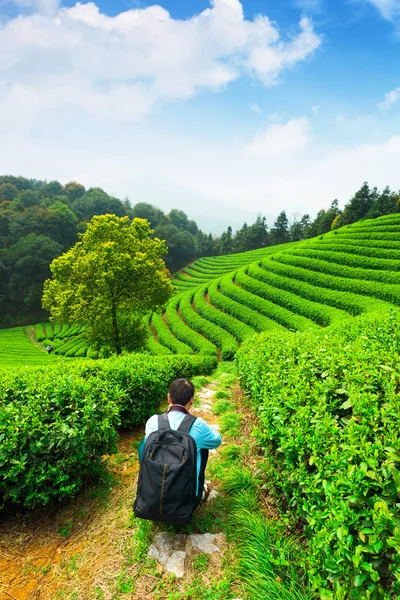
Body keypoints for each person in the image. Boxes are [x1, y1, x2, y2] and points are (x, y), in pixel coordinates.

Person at [136, 378, 221, 522]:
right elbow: (216, 440)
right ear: (192, 400)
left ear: (168, 397)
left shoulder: (153, 421)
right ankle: (198, 491)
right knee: (201, 449)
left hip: (150, 500)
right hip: (185, 504)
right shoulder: (197, 425)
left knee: (144, 445)